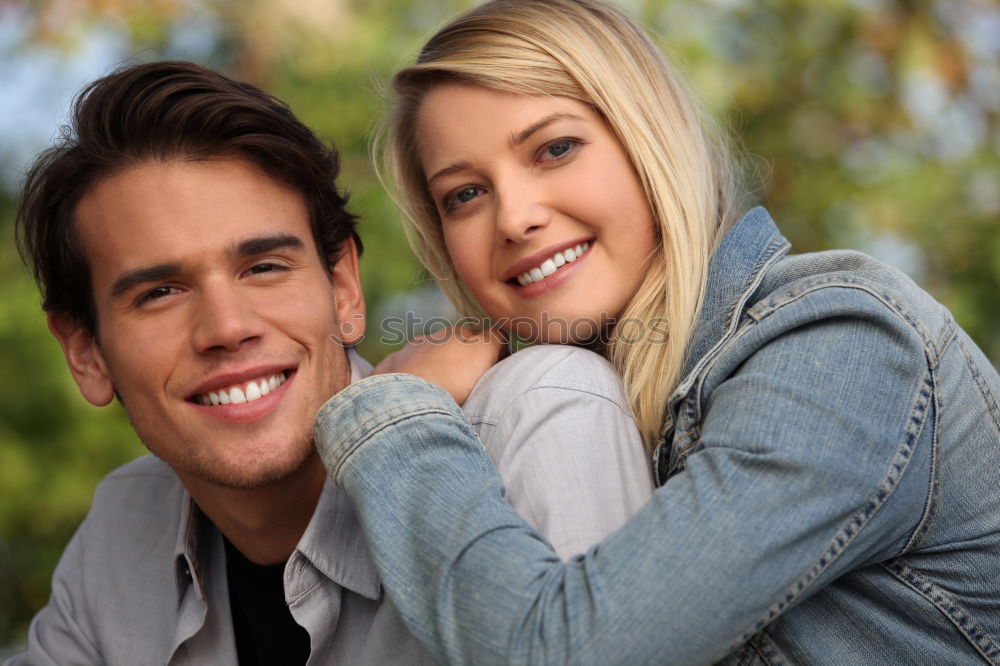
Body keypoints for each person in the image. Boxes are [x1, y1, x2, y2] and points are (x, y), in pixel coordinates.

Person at [314, 0, 1000, 664]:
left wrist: (393, 416)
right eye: (465, 194)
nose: (514, 217)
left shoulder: (841, 344)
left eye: (555, 149)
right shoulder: (572, 422)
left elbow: (565, 651)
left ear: (649, 141)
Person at [8, 57, 651, 665]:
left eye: (263, 267)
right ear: (86, 353)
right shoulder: (123, 527)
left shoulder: (535, 421)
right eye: (160, 293)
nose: (228, 329)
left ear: (343, 286)